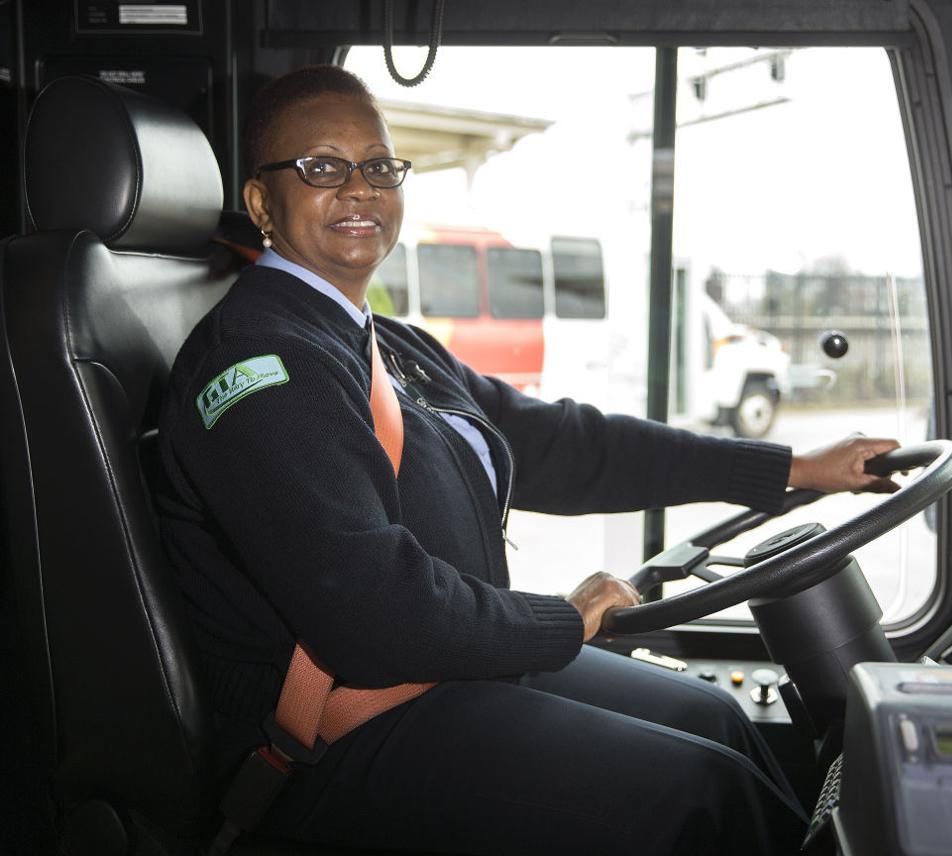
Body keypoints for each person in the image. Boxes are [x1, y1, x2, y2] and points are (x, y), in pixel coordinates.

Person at [156, 65, 900, 855]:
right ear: (262, 202)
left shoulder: (382, 341)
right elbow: (371, 615)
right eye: (322, 168)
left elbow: (562, 444)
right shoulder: (258, 365)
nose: (359, 189)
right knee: (700, 795)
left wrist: (790, 468)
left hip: (441, 670)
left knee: (714, 717)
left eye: (377, 166)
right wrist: (561, 618)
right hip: (342, 733)